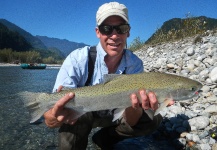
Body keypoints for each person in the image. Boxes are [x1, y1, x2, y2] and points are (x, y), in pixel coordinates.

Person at [44, 2, 174, 150]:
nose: (114, 35)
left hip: (116, 114)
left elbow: (131, 121)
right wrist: (53, 118)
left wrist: (135, 107)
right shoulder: (77, 59)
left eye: (121, 28)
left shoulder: (134, 64)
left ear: (128, 32)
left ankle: (103, 140)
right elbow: (50, 119)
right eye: (107, 29)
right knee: (72, 117)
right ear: (98, 32)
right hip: (84, 114)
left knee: (152, 118)